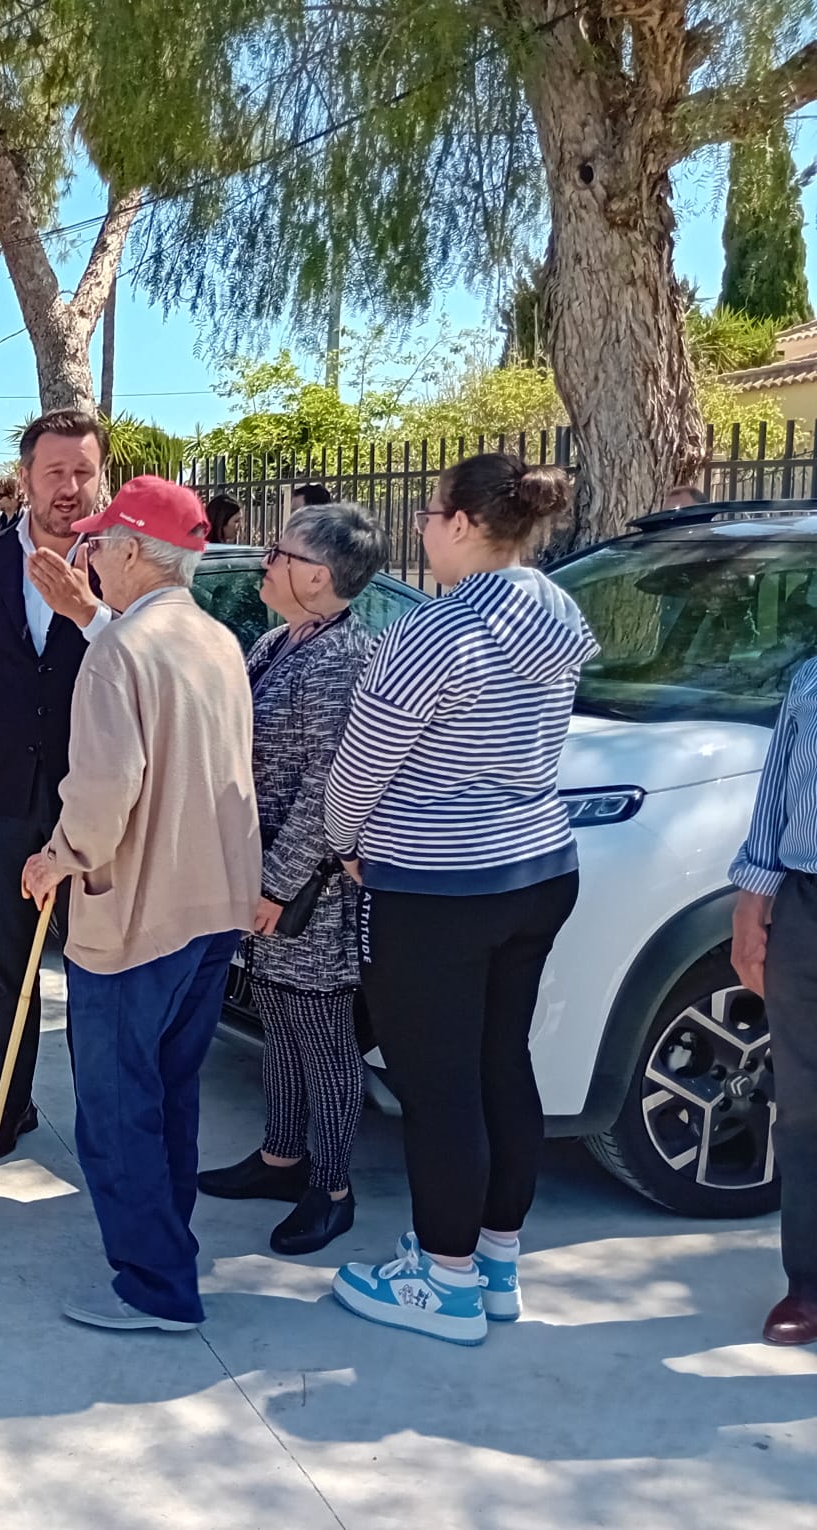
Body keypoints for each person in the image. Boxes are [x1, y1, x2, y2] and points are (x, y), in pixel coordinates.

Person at [323, 452, 595, 1346]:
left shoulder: (436, 631)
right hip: (537, 866)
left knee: (437, 1086)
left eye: (430, 513)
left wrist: (344, 842)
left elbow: (363, 763)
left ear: (465, 524)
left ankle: (440, 1279)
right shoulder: (556, 607)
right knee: (498, 1062)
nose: (421, 529)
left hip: (441, 882)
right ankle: (494, 1258)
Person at [18, 478, 258, 1334]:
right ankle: (168, 1249)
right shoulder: (217, 639)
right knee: (170, 1091)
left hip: (138, 913)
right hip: (210, 906)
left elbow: (105, 789)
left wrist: (59, 857)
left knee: (118, 1109)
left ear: (129, 552)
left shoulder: (119, 652)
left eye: (97, 544)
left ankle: (158, 1286)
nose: (87, 558)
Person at [196, 503, 388, 1257]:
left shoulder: (344, 658)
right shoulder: (280, 640)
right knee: (280, 1020)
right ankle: (280, 1157)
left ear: (318, 575)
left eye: (279, 554)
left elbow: (327, 786)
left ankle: (331, 1186)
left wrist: (275, 886)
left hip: (309, 888)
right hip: (265, 872)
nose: (266, 563)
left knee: (321, 1032)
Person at [0, 407, 110, 1158]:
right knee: (9, 961)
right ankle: (12, 1107)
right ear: (27, 478)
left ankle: (101, 1117)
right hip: (8, 792)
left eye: (83, 471)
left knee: (95, 964)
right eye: (55, 473)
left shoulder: (123, 561)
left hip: (100, 800)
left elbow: (138, 665)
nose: (70, 487)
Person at [730, 654, 817, 1347]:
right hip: (807, 902)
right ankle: (809, 1286)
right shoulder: (812, 674)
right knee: (804, 1104)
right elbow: (778, 786)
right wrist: (754, 897)